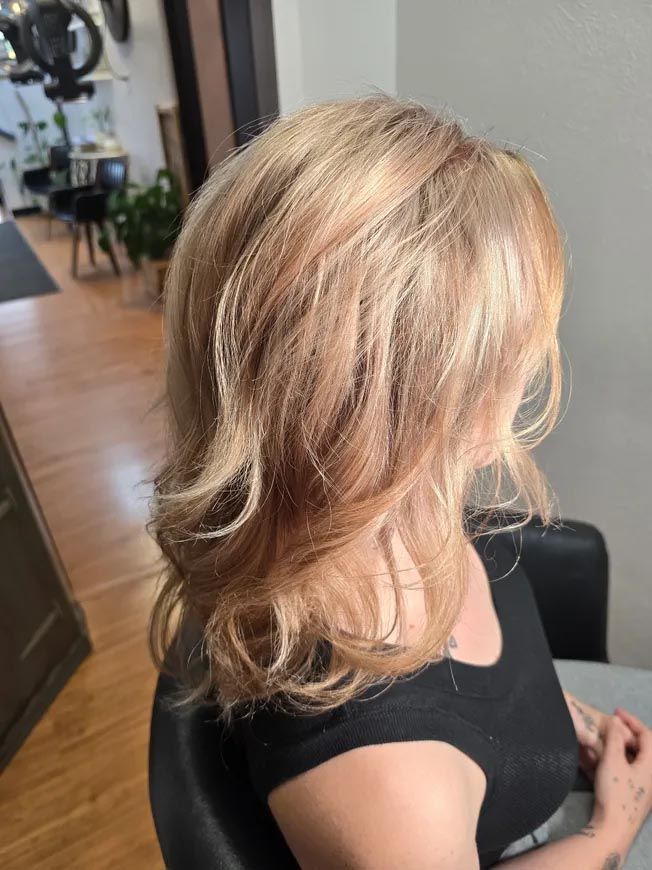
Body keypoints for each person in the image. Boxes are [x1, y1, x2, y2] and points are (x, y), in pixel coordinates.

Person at [149, 96, 652, 868]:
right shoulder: (386, 782)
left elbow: (482, 684)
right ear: (421, 407)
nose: (528, 364)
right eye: (513, 343)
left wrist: (562, 715)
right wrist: (609, 833)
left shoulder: (388, 503)